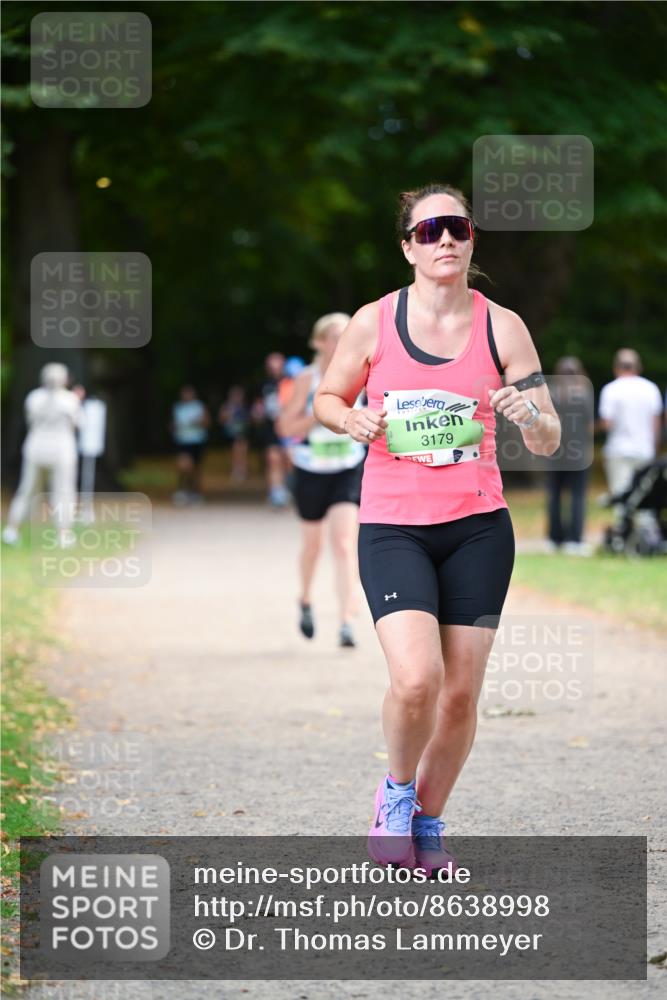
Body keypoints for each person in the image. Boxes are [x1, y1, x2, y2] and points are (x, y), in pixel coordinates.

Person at [314, 183, 560, 875]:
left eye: (455, 227)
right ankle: (394, 796)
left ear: (471, 238)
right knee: (417, 679)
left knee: (458, 695)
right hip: (393, 525)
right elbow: (328, 398)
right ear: (408, 247)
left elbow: (548, 439)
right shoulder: (373, 321)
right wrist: (350, 418)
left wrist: (530, 415)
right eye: (428, 231)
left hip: (478, 527)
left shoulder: (501, 326)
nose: (444, 239)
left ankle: (427, 825)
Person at [277, 314, 366, 648]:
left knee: (344, 544)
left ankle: (346, 621)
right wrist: (324, 416)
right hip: (310, 471)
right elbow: (285, 428)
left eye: (346, 334)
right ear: (319, 342)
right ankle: (305, 598)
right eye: (333, 335)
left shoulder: (364, 375)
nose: (341, 340)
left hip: (347, 468)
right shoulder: (306, 378)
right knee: (313, 546)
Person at [3, 363, 82, 548]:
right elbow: (78, 423)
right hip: (62, 451)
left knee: (27, 490)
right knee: (63, 492)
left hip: (35, 449)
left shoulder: (33, 397)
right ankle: (63, 534)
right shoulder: (70, 399)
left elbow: (29, 421)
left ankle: (12, 530)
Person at [545, 357, 594, 555]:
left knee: (554, 496)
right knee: (577, 496)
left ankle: (554, 538)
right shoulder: (584, 394)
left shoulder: (551, 393)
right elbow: (590, 426)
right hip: (578, 453)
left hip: (554, 451)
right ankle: (575, 539)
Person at [598, 349, 662, 496]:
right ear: (638, 367)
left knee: (621, 498)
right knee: (644, 499)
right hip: (644, 450)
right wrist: (654, 448)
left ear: (616, 367)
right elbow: (656, 425)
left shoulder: (610, 390)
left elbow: (607, 424)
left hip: (618, 450)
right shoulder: (651, 389)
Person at [252, 352, 290, 507]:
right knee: (273, 459)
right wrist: (257, 411)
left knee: (288, 460)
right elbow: (258, 404)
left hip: (289, 425)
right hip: (270, 426)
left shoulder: (291, 382)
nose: (275, 368)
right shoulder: (264, 384)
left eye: (278, 364)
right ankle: (276, 491)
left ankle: (288, 488)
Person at [171, 385, 209, 506]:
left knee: (196, 468)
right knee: (184, 466)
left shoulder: (199, 406)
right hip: (182, 441)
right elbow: (173, 424)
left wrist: (199, 422)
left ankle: (195, 492)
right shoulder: (178, 407)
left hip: (197, 440)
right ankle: (182, 491)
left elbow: (206, 422)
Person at [219, 385, 250, 483]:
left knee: (243, 449)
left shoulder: (244, 406)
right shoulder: (227, 406)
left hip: (242, 432)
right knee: (235, 450)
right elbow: (222, 419)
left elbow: (249, 420)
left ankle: (242, 469)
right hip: (231, 432)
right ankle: (236, 469)